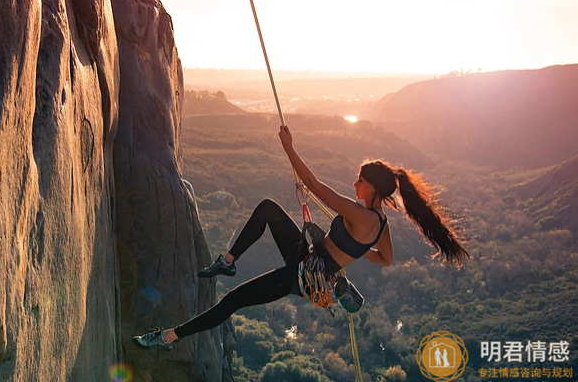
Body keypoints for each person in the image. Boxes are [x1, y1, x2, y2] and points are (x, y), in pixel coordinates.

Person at [132, 125, 469, 350]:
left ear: (374, 188)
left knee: (232, 301)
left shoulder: (361, 214)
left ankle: (168, 336)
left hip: (303, 274)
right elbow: (387, 259)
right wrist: (353, 253)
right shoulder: (380, 224)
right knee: (267, 208)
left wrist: (288, 148)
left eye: (360, 181)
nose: (355, 185)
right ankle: (229, 261)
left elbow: (316, 184)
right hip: (310, 258)